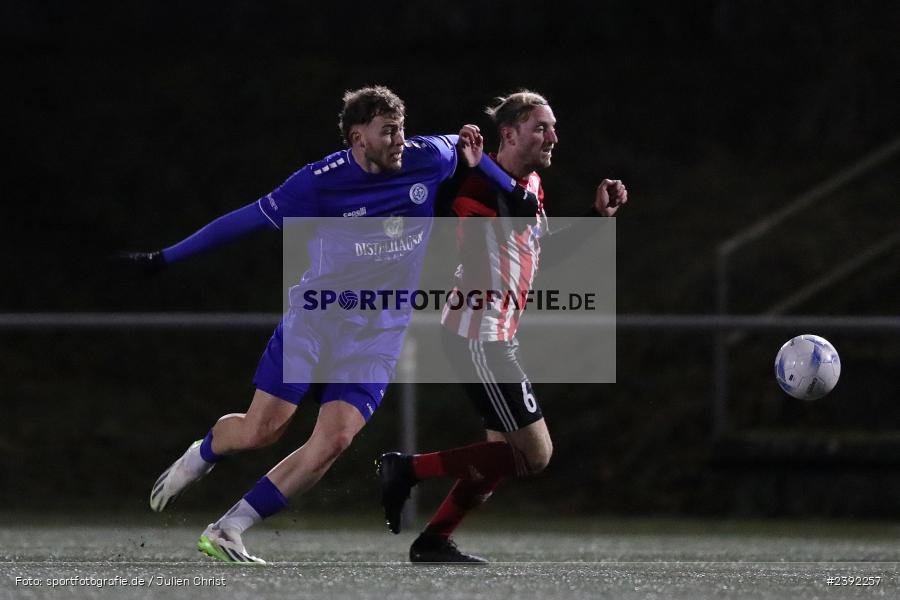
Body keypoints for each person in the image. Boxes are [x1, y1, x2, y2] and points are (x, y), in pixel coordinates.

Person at [126, 86, 532, 564]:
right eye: (388, 132)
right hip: (317, 320)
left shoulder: (428, 157)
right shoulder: (319, 181)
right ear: (357, 139)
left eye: (401, 128)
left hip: (378, 332)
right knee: (262, 431)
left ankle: (229, 527)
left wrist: (511, 191)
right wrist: (164, 258)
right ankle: (206, 452)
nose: (400, 139)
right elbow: (245, 220)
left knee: (335, 439)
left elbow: (470, 149)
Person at [377, 90, 628, 563]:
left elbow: (541, 253)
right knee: (535, 454)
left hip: (493, 335)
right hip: (477, 336)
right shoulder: (475, 185)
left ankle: (433, 540)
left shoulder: (530, 182)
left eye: (552, 127)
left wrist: (597, 217)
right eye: (541, 128)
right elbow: (511, 217)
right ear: (508, 134)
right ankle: (406, 469)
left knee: (496, 457)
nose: (553, 136)